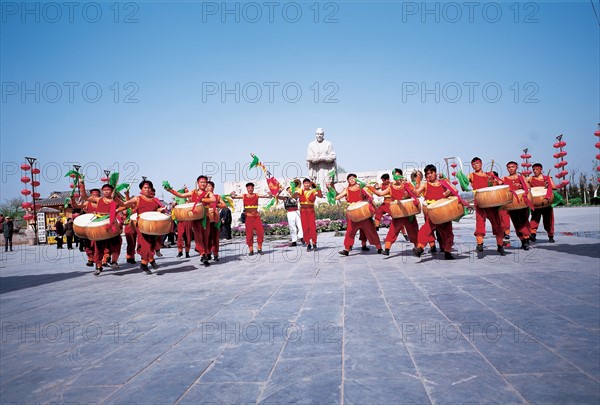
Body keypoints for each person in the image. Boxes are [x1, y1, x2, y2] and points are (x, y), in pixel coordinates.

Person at [165, 175, 216, 266]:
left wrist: (200, 199)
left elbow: (213, 199)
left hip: (205, 217)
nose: (203, 184)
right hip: (196, 218)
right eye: (201, 182)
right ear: (198, 183)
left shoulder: (208, 193)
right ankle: (202, 254)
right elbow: (181, 195)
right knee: (198, 237)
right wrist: (170, 190)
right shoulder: (193, 192)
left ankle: (204, 251)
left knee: (205, 236)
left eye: (205, 182)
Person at [370, 168, 420, 255]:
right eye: (395, 175)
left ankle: (417, 248)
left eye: (398, 175)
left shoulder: (406, 184)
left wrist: (409, 186)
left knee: (413, 231)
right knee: (392, 231)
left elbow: (416, 194)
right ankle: (387, 249)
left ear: (401, 175)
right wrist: (369, 187)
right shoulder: (391, 187)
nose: (396, 177)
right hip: (397, 213)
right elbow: (380, 194)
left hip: (408, 213)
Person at [79, 182, 126, 275]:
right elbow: (84, 196)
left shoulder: (115, 200)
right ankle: (99, 266)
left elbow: (125, 205)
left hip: (112, 223)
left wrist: (117, 210)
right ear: (102, 191)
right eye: (104, 190)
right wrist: (82, 184)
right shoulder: (98, 199)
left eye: (108, 190)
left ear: (112, 191)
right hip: (100, 224)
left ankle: (114, 261)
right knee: (99, 247)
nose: (106, 191)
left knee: (116, 243)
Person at [413, 165, 457, 260]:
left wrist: (449, 192)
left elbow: (455, 190)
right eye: (427, 174)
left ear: (435, 172)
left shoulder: (444, 182)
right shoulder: (425, 184)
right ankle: (420, 248)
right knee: (425, 230)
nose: (429, 175)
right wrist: (417, 181)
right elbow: (416, 193)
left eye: (431, 173)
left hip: (444, 212)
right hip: (433, 214)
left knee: (448, 233)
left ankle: (447, 252)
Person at [336, 173, 382, 256]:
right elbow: (337, 197)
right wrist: (331, 190)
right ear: (348, 181)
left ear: (356, 179)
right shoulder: (347, 189)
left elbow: (369, 197)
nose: (352, 179)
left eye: (353, 178)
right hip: (353, 214)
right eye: (350, 179)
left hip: (363, 212)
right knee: (350, 232)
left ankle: (379, 248)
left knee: (371, 230)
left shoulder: (362, 187)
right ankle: (346, 249)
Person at [468, 157, 507, 256]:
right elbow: (464, 183)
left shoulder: (489, 174)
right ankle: (480, 243)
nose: (475, 165)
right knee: (480, 222)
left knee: (497, 224)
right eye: (473, 164)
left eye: (477, 163)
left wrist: (494, 181)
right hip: (480, 203)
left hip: (491, 202)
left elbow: (500, 184)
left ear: (481, 164)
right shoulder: (471, 175)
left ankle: (500, 246)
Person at [230, 182, 272, 255]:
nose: (250, 189)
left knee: (260, 232)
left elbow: (267, 196)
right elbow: (234, 197)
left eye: (251, 188)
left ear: (253, 188)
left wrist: (270, 194)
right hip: (248, 218)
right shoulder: (244, 196)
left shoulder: (256, 195)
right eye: (248, 188)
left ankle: (259, 248)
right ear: (247, 189)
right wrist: (232, 194)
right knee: (249, 234)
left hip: (256, 217)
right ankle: (251, 250)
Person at [499, 161, 532, 250]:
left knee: (524, 221)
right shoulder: (504, 179)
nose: (511, 169)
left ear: (516, 167)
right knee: (516, 223)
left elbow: (528, 187)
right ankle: (522, 240)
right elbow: (499, 188)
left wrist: (521, 185)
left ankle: (526, 239)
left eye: (513, 167)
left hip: (522, 203)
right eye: (509, 167)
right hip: (511, 205)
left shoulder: (521, 177)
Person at [527, 163, 557, 243]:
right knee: (534, 219)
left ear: (541, 169)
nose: (535, 171)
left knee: (548, 219)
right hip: (536, 203)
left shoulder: (547, 178)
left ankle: (550, 235)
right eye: (533, 169)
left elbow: (555, 187)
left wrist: (548, 185)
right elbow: (526, 186)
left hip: (546, 202)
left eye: (537, 169)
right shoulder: (530, 178)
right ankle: (532, 234)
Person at [295, 178, 322, 251]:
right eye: (305, 183)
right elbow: (293, 196)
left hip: (311, 210)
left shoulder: (313, 191)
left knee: (312, 227)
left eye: (308, 183)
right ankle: (308, 243)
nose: (307, 184)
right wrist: (293, 188)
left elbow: (320, 195)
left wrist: (318, 188)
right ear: (303, 184)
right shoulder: (300, 191)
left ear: (310, 184)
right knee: (305, 227)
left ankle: (314, 243)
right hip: (303, 211)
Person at [275, 179, 304, 247]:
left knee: (300, 225)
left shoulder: (296, 196)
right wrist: (280, 190)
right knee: (292, 227)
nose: (290, 190)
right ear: (287, 191)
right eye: (288, 189)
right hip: (290, 213)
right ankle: (294, 241)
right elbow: (277, 197)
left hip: (297, 211)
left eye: (291, 189)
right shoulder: (285, 198)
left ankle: (301, 237)